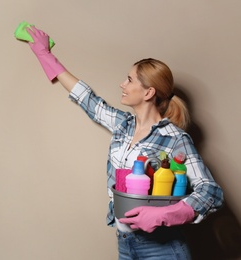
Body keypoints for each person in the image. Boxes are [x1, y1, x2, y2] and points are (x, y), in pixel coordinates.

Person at [22, 25, 224, 259]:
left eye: (129, 79)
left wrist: (164, 215)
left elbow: (211, 192)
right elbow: (88, 100)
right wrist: (45, 55)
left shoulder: (174, 138)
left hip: (162, 248)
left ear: (148, 93)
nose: (122, 84)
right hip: (126, 243)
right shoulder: (124, 125)